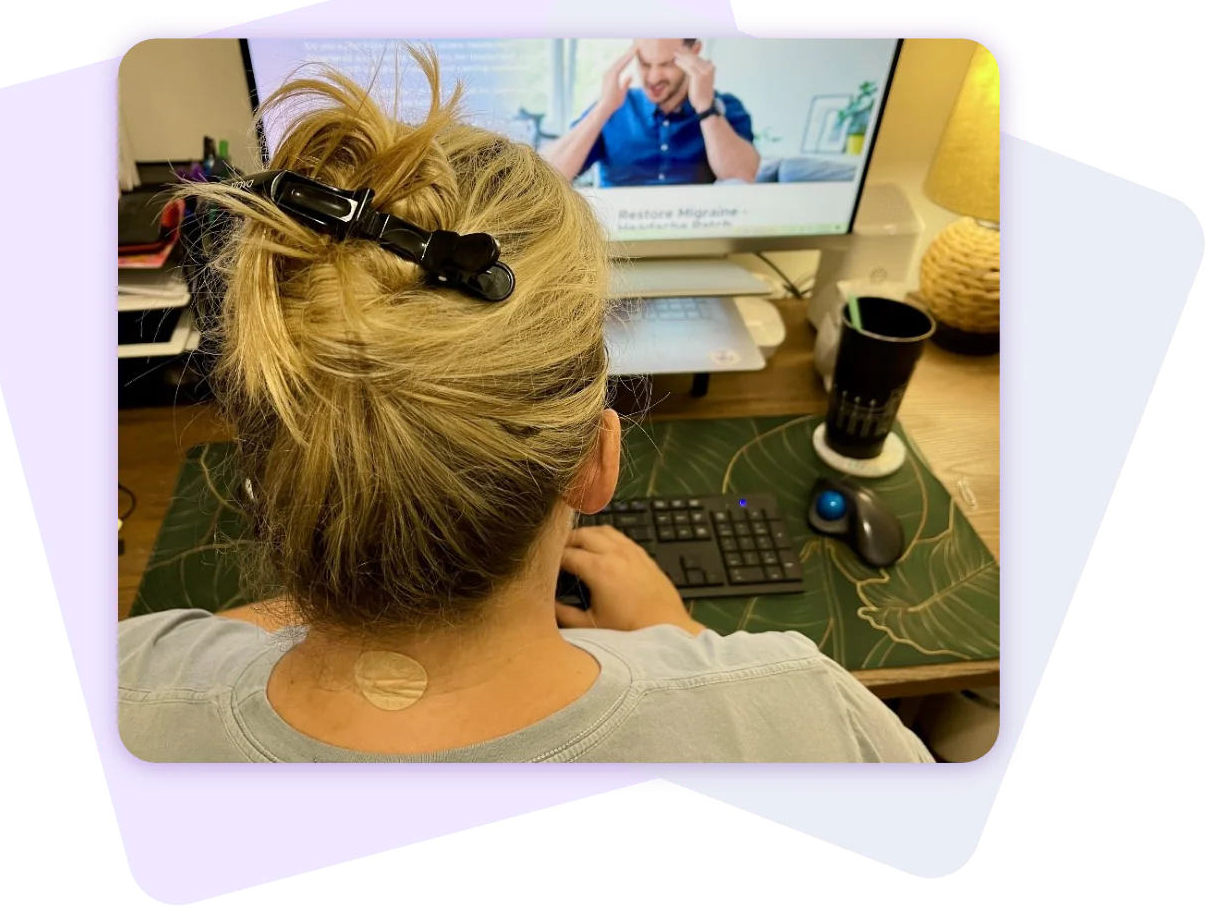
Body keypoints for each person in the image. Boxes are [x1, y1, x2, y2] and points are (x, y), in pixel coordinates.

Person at [117, 51, 933, 763]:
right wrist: (679, 635)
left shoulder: (129, 690)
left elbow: (197, 652)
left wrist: (302, 603)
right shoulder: (806, 719)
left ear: (269, 477)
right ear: (597, 459)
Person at [543, 39, 761, 187]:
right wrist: (603, 109)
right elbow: (546, 177)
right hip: (618, 243)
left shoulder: (724, 108)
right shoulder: (615, 107)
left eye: (666, 64)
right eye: (645, 64)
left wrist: (705, 107)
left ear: (694, 53)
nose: (654, 78)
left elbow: (742, 177)